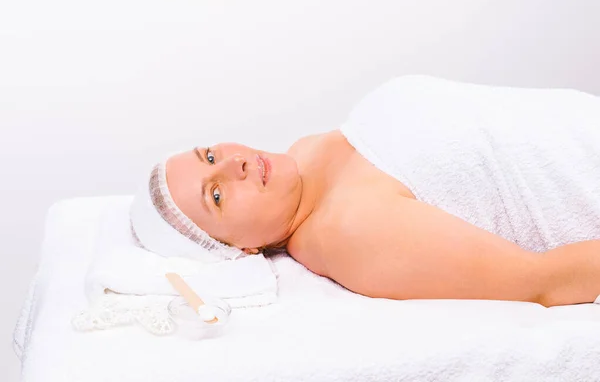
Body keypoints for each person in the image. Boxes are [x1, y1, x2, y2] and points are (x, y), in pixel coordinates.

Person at [131, 75, 600, 308]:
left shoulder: (307, 153)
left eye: (209, 155)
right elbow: (544, 283)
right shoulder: (348, 232)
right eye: (217, 196)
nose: (233, 164)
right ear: (240, 248)